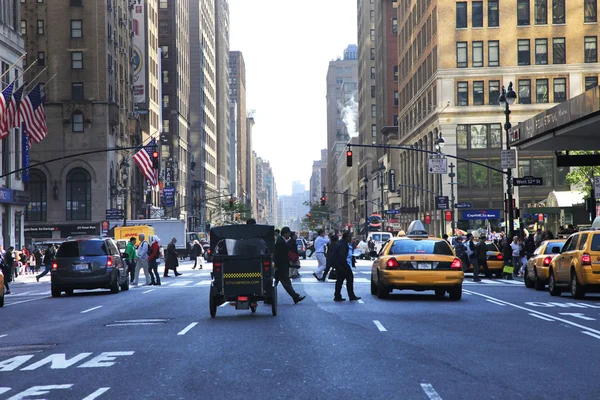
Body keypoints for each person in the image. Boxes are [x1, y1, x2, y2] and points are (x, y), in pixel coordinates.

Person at [273, 227, 305, 304]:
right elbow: (278, 254)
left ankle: (268, 298)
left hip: (281, 266)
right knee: (286, 283)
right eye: (288, 233)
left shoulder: (282, 240)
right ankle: (295, 297)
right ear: (285, 233)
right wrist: (277, 265)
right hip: (281, 266)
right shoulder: (281, 241)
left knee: (275, 283)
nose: (289, 234)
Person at [331, 231, 360, 302]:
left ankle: (337, 296)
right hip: (343, 265)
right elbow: (342, 256)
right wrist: (345, 265)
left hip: (340, 265)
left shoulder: (342, 243)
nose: (351, 238)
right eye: (350, 237)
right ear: (347, 237)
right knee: (349, 279)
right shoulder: (343, 245)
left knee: (340, 281)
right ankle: (351, 295)